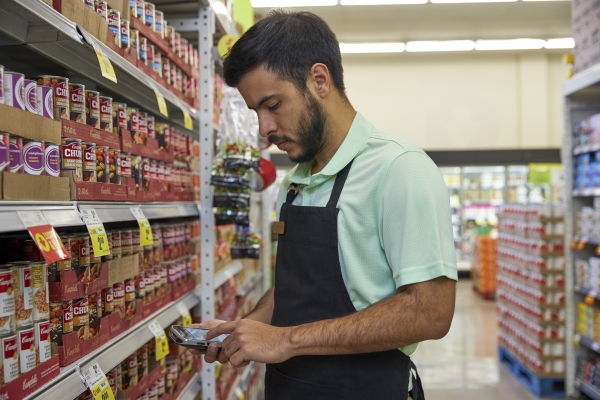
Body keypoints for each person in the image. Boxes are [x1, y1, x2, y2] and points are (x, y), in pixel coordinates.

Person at [190, 10, 457, 400]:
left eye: (273, 104)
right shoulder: (294, 183)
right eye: (255, 113)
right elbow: (295, 291)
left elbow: (431, 312)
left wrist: (286, 340)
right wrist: (245, 329)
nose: (264, 129)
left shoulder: (400, 170)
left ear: (318, 80)